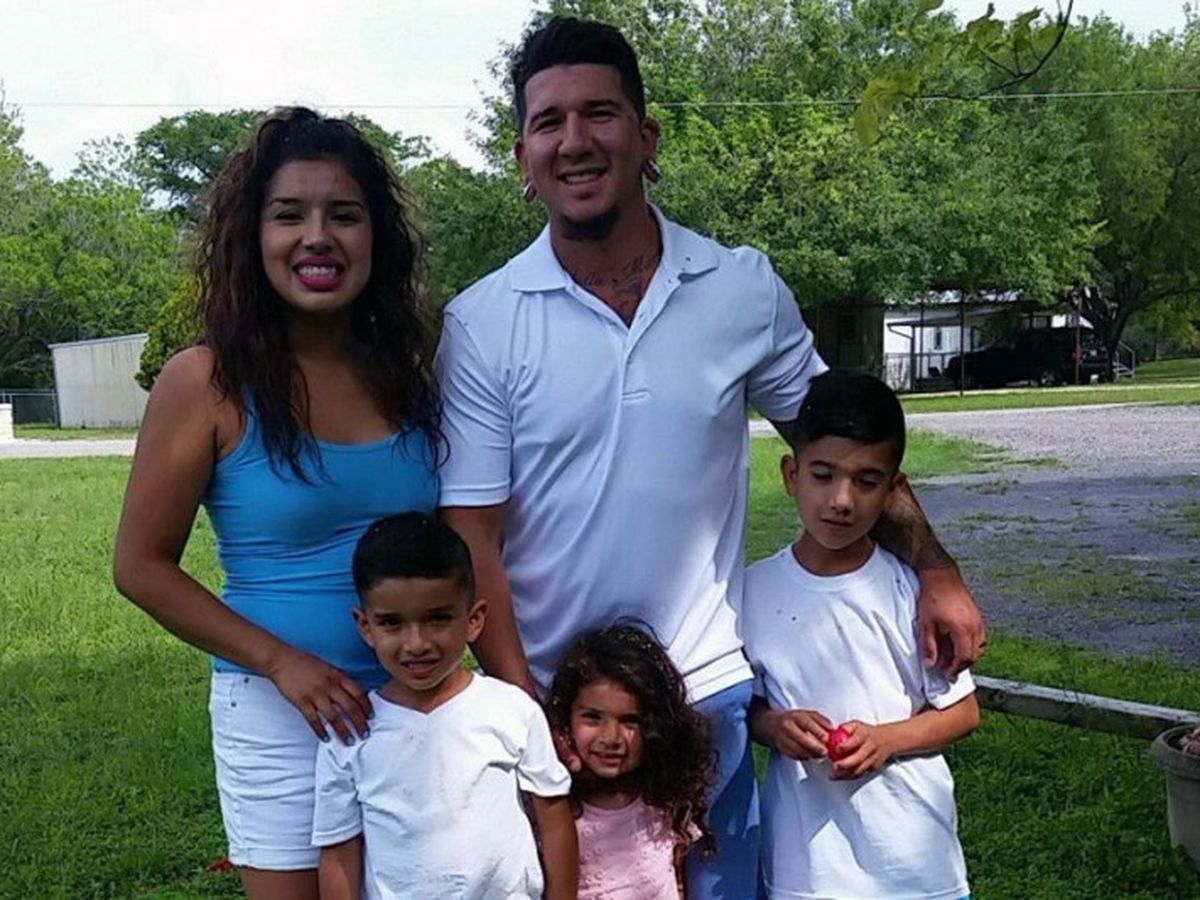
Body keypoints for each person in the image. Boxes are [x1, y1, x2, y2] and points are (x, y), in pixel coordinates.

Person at [436, 16, 986, 899]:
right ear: (522, 157)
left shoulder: (739, 288)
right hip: (564, 711)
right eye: (548, 122)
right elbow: (474, 539)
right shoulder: (482, 322)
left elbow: (840, 441)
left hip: (708, 697)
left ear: (647, 137)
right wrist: (531, 714)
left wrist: (936, 568)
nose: (574, 141)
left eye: (599, 113)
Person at [113, 107, 442, 900]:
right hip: (279, 712)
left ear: (377, 236)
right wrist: (282, 663)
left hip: (415, 701)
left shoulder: (415, 370)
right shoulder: (205, 382)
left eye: (344, 215)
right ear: (252, 236)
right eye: (289, 215)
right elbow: (140, 566)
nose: (317, 237)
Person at [743, 371, 980, 899]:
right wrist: (774, 726)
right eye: (822, 475)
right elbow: (748, 708)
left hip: (915, 870)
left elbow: (964, 712)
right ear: (790, 475)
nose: (842, 499)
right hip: (808, 872)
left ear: (894, 490)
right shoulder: (752, 591)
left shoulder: (910, 592)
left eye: (867, 481)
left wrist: (886, 739)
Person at [313, 512, 577, 900]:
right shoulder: (351, 733)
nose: (416, 643)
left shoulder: (511, 710)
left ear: (474, 620)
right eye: (392, 623)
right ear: (365, 626)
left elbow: (554, 821)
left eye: (437, 619)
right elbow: (339, 855)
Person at [547, 624, 716, 899]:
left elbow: (678, 879)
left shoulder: (663, 800)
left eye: (630, 721)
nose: (611, 738)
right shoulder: (553, 808)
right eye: (593, 717)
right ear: (566, 718)